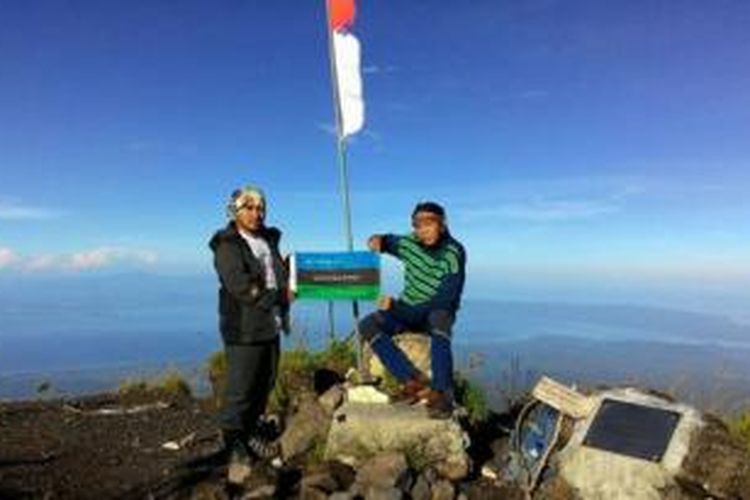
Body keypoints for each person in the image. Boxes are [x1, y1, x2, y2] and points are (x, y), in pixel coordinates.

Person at [208, 185, 291, 482]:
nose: (257, 214)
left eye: (261, 208)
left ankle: (251, 431)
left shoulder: (268, 240)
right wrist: (281, 298)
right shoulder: (228, 245)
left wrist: (294, 276)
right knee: (240, 391)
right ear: (235, 211)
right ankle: (234, 445)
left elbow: (277, 274)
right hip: (244, 328)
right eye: (250, 208)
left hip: (271, 325)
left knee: (264, 384)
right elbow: (242, 286)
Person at [359, 201, 466, 419]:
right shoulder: (410, 242)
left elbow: (445, 300)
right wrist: (376, 241)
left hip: (432, 312)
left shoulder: (453, 252)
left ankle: (442, 393)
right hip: (406, 310)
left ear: (442, 224)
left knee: (440, 319)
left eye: (429, 223)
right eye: (418, 225)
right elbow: (387, 241)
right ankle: (411, 381)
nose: (423, 229)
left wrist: (395, 307)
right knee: (368, 324)